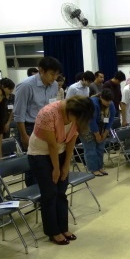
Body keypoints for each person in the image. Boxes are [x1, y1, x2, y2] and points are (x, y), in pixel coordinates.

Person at [28, 96, 94, 245]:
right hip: (40, 154)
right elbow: (51, 145)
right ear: (70, 111)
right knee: (50, 192)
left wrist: (65, 166)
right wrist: (56, 169)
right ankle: (53, 231)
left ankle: (63, 227)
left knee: (61, 191)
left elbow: (71, 141)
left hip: (61, 151)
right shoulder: (48, 113)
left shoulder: (77, 115)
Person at [13, 56, 61, 186]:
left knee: (47, 160)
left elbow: (53, 107)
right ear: (41, 70)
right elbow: (19, 114)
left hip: (48, 127)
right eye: (52, 74)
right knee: (33, 163)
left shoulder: (54, 85)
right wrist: (24, 135)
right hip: (30, 127)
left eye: (56, 75)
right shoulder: (26, 86)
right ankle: (35, 193)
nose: (54, 78)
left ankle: (45, 190)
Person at [80, 89, 115, 176]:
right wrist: (97, 135)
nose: (108, 103)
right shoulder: (93, 103)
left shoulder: (111, 104)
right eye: (106, 100)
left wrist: (105, 132)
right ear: (101, 97)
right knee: (91, 149)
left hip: (101, 127)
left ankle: (100, 167)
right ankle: (93, 169)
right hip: (86, 127)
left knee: (100, 148)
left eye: (110, 100)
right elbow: (91, 121)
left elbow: (110, 119)